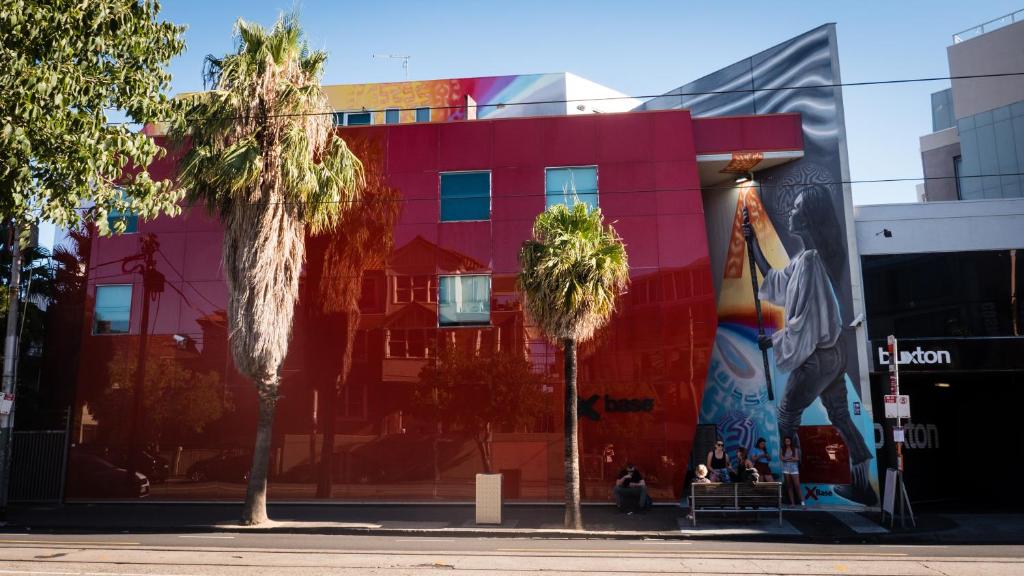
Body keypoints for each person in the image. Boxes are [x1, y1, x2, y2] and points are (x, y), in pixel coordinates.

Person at [743, 185, 877, 506]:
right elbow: (775, 280)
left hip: (817, 358)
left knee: (787, 415)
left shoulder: (811, 264)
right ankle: (862, 485)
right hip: (834, 355)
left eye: (798, 206)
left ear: (809, 217)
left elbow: (802, 324)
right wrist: (754, 243)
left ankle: (793, 484)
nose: (791, 209)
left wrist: (772, 342)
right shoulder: (805, 259)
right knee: (841, 417)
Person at [780, 435, 803, 506]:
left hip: (794, 469)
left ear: (790, 442)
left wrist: (787, 458)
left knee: (797, 485)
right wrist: (790, 458)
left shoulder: (794, 449)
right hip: (786, 469)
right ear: (784, 442)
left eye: (788, 441)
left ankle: (802, 502)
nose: (787, 442)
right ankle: (792, 503)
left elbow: (797, 458)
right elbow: (781, 458)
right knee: (789, 486)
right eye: (786, 441)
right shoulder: (782, 449)